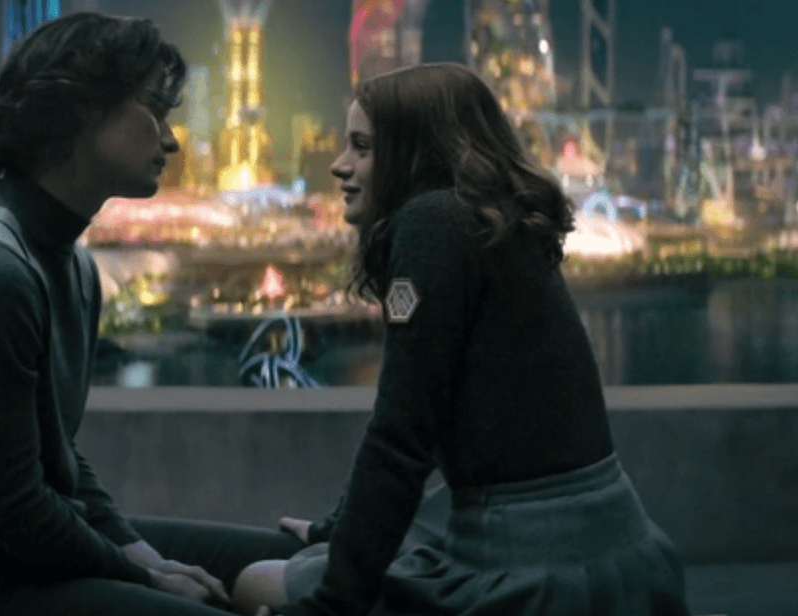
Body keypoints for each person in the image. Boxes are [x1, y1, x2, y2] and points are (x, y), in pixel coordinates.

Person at [0, 12, 304, 616]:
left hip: (19, 553)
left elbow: (52, 460)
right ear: (80, 111)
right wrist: (145, 576)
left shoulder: (70, 264)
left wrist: (142, 556)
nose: (170, 141)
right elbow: (6, 509)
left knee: (300, 566)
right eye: (152, 111)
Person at [229, 63, 691, 616]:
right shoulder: (494, 223)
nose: (339, 164)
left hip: (534, 575)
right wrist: (339, 532)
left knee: (253, 583)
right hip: (618, 557)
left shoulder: (432, 221)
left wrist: (333, 604)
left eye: (362, 147)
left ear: (413, 153)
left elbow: (400, 436)